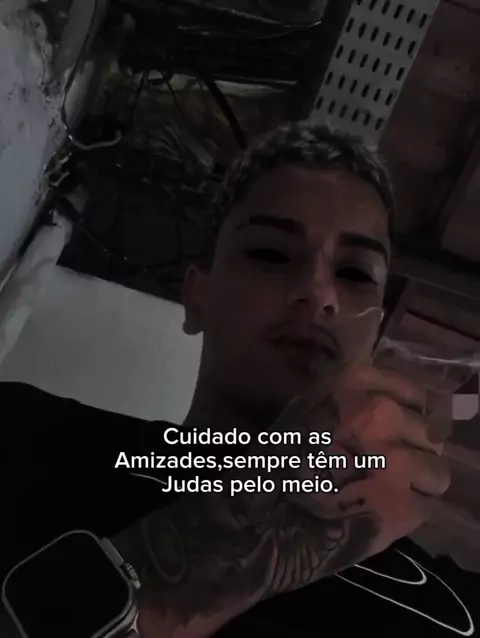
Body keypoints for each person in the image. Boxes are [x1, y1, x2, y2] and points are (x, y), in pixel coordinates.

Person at [1, 121, 476, 638]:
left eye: (355, 273)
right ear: (196, 296)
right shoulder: (24, 437)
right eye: (271, 254)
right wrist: (247, 520)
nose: (319, 292)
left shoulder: (456, 603)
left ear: (377, 327)